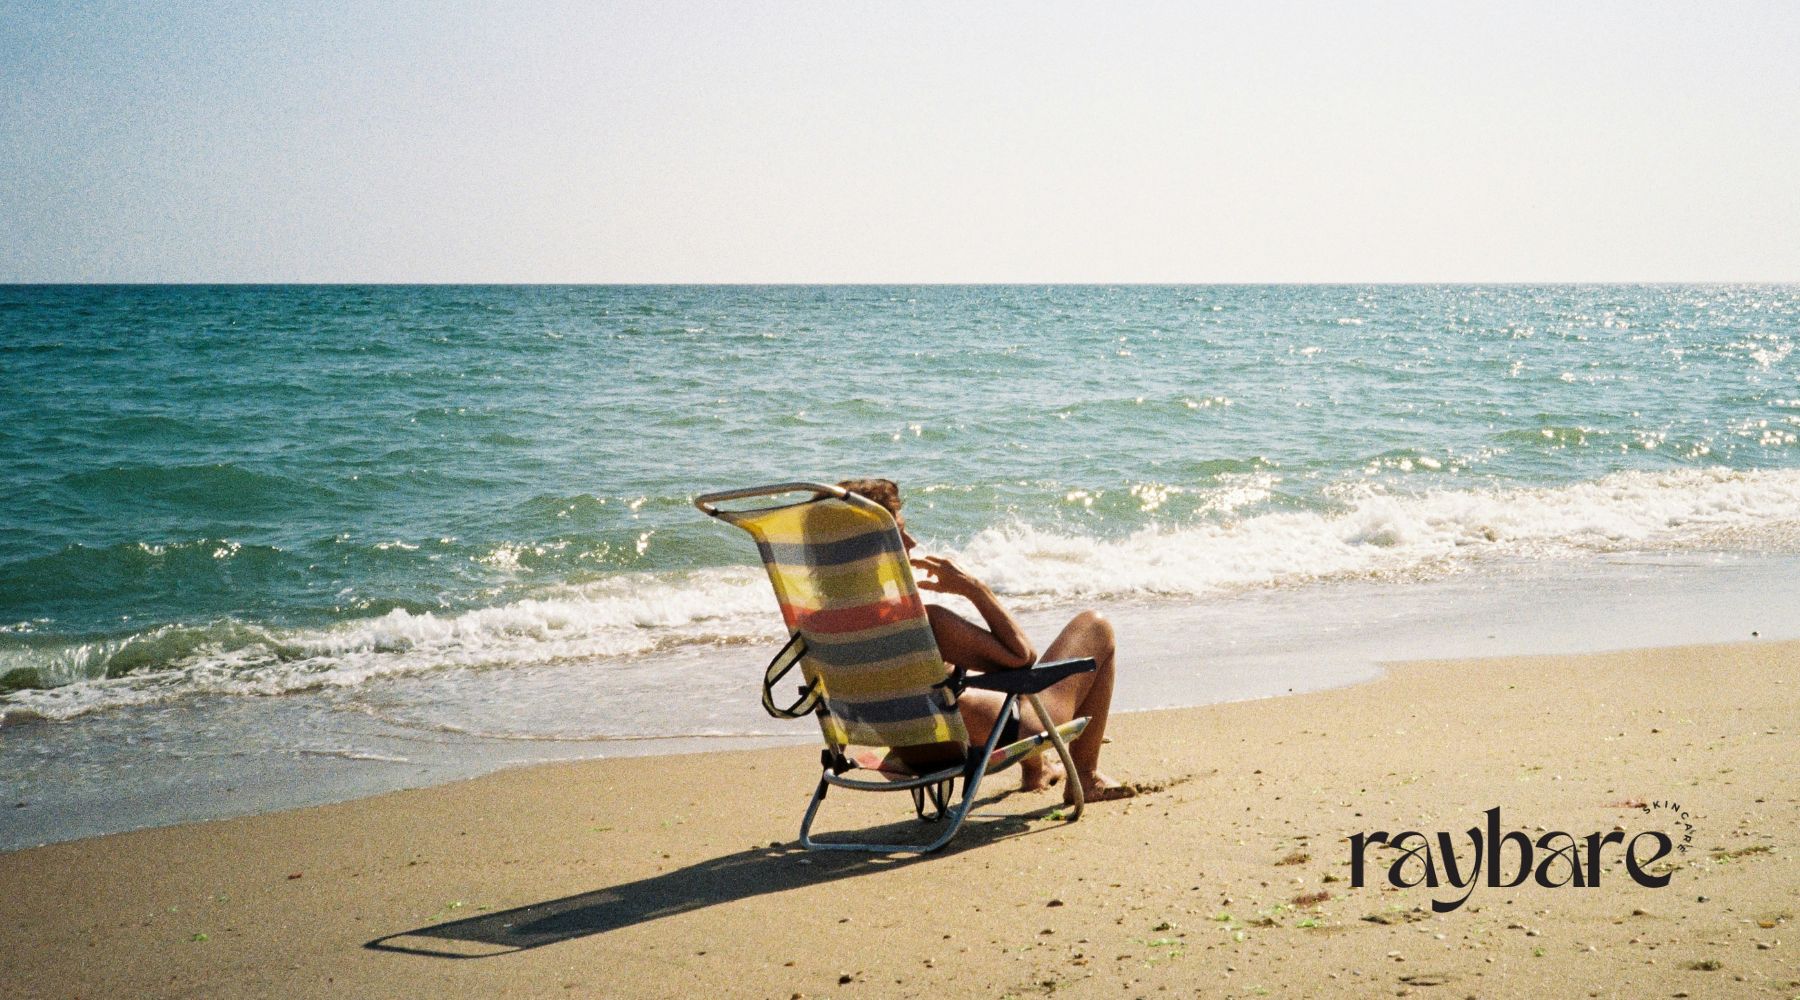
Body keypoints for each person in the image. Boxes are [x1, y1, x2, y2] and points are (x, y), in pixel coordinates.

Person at [837, 478, 1133, 803]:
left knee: (985, 682)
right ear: (871, 548)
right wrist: (973, 587)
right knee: (1094, 627)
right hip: (990, 737)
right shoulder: (923, 625)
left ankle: (1036, 770)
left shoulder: (824, 625)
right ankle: (1087, 778)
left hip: (911, 752)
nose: (911, 543)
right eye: (898, 534)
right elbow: (1022, 656)